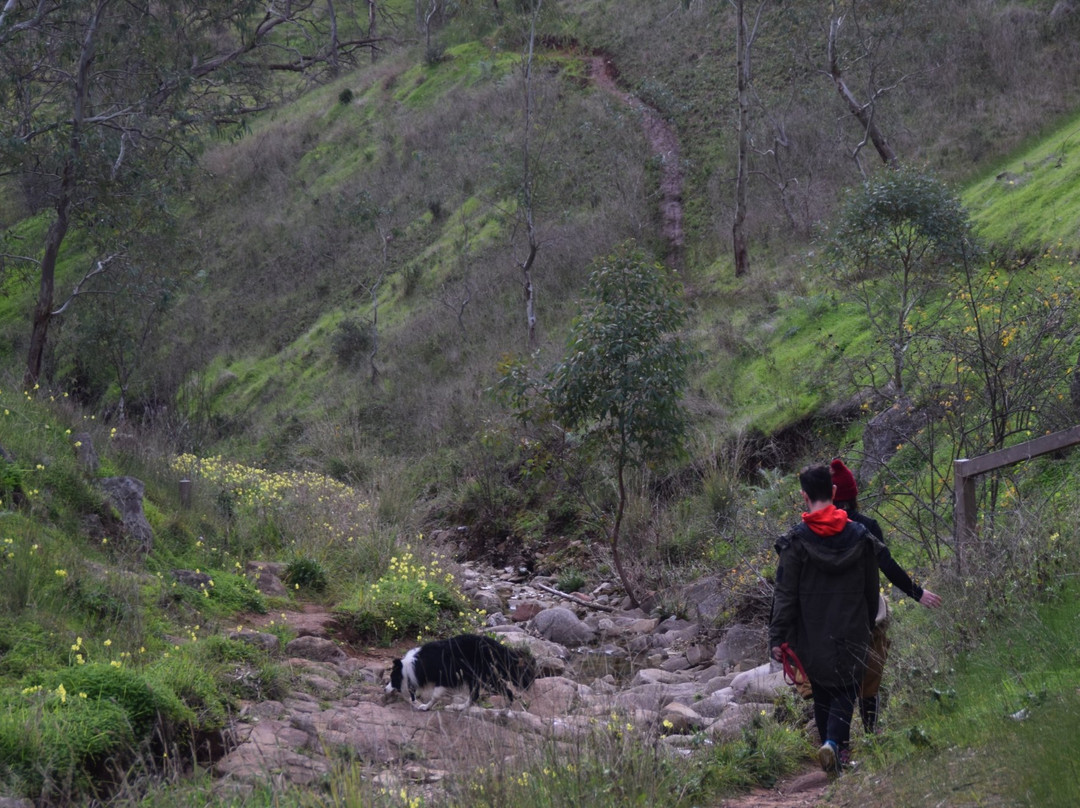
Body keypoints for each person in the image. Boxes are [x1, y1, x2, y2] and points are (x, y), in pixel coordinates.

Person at [770, 463, 881, 776]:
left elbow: (785, 595)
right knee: (847, 688)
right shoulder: (861, 537)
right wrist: (868, 624)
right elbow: (871, 590)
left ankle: (833, 749)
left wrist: (777, 638)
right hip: (852, 627)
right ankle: (835, 748)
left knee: (821, 690)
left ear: (804, 496)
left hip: (810, 632)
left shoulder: (794, 543)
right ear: (833, 493)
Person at [830, 458, 942, 735]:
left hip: (829, 614)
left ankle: (835, 742)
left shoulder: (817, 531)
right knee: (871, 674)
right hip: (867, 613)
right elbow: (887, 565)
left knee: (836, 680)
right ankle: (871, 733)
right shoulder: (866, 526)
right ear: (853, 496)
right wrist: (918, 593)